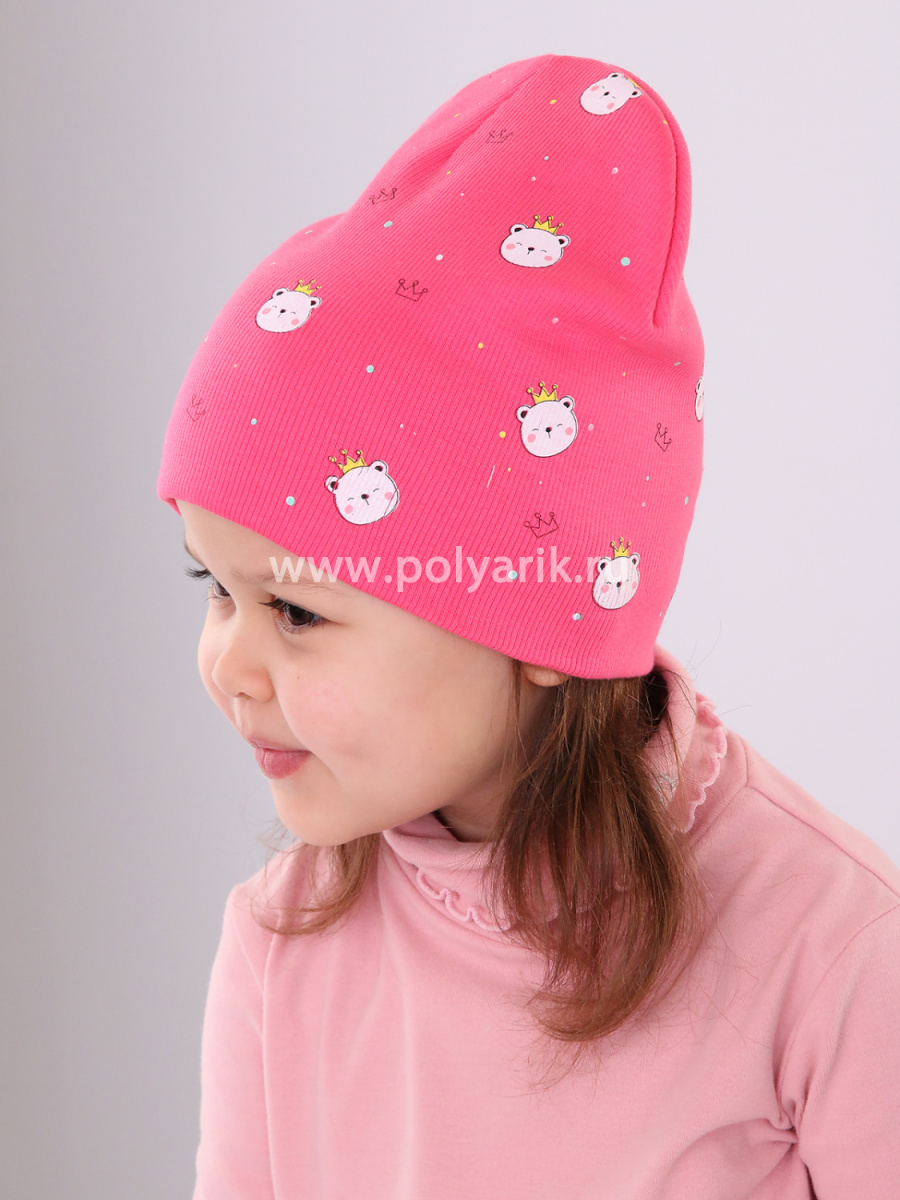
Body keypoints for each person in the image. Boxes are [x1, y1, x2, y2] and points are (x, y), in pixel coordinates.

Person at [156, 53, 900, 1199]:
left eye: (295, 609)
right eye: (215, 587)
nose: (229, 665)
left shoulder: (830, 948)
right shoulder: (282, 946)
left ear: (545, 625)